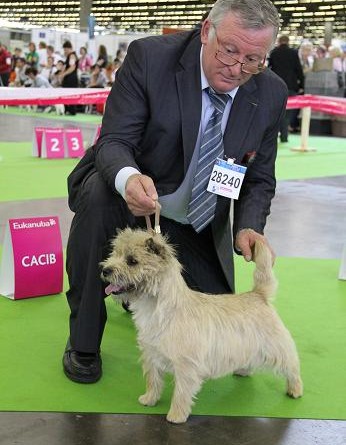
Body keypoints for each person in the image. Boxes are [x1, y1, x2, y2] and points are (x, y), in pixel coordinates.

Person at [63, 0, 287, 384]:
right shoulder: (150, 58)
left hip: (198, 221)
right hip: (135, 205)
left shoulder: (270, 93)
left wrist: (248, 226)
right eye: (229, 50)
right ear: (206, 32)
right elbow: (114, 140)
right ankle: (84, 341)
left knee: (221, 329)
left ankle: (136, 291)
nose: (237, 68)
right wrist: (129, 179)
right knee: (101, 193)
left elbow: (260, 177)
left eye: (254, 59)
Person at [268, 35, 304, 141]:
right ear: (288, 42)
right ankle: (284, 137)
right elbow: (299, 69)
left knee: (275, 112)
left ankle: (273, 137)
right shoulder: (293, 53)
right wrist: (302, 85)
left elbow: (270, 68)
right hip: (291, 86)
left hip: (276, 86)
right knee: (287, 114)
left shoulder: (274, 53)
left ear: (279, 41)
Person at [60, 40, 79, 115]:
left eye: (65, 49)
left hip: (71, 78)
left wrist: (64, 74)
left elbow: (72, 67)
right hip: (69, 77)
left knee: (71, 93)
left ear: (69, 48)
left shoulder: (72, 55)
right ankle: (67, 109)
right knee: (66, 93)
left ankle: (71, 110)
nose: (65, 51)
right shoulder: (69, 56)